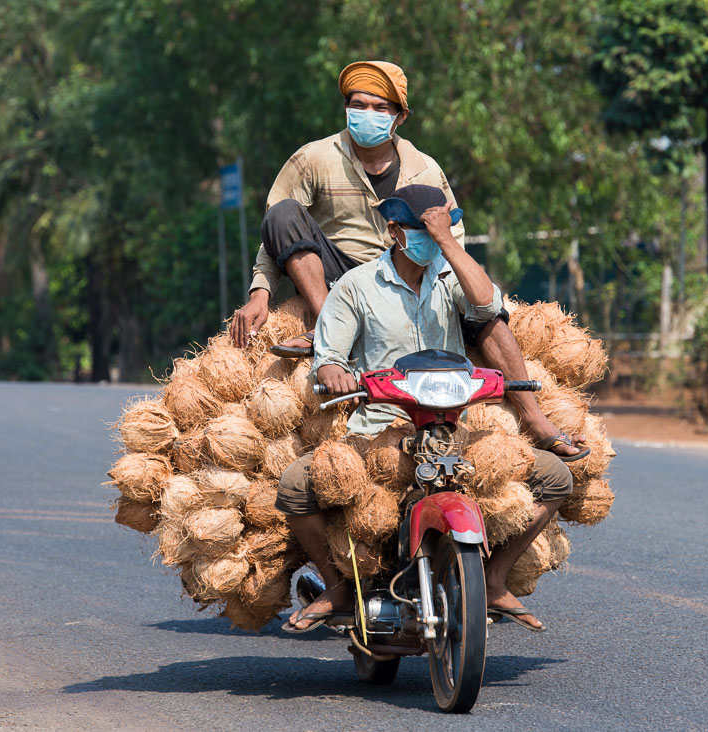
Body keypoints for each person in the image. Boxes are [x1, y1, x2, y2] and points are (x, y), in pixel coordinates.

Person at [228, 60, 587, 461]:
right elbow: (275, 232)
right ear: (345, 107)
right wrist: (260, 291)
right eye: (358, 104)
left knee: (490, 314)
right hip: (342, 277)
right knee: (282, 215)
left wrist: (460, 293)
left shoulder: (425, 169)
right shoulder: (313, 158)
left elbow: (452, 242)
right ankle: (329, 332)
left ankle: (535, 418)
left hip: (416, 270)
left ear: (400, 117)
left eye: (380, 108)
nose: (368, 115)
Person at [276, 184, 572, 634]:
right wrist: (335, 371)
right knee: (296, 485)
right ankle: (337, 587)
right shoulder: (357, 287)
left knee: (555, 477)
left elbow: (489, 306)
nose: (431, 241)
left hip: (454, 429)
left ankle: (492, 580)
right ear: (395, 230)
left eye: (441, 232)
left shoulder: (452, 278)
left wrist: (448, 243)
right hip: (379, 429)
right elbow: (330, 354)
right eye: (423, 231)